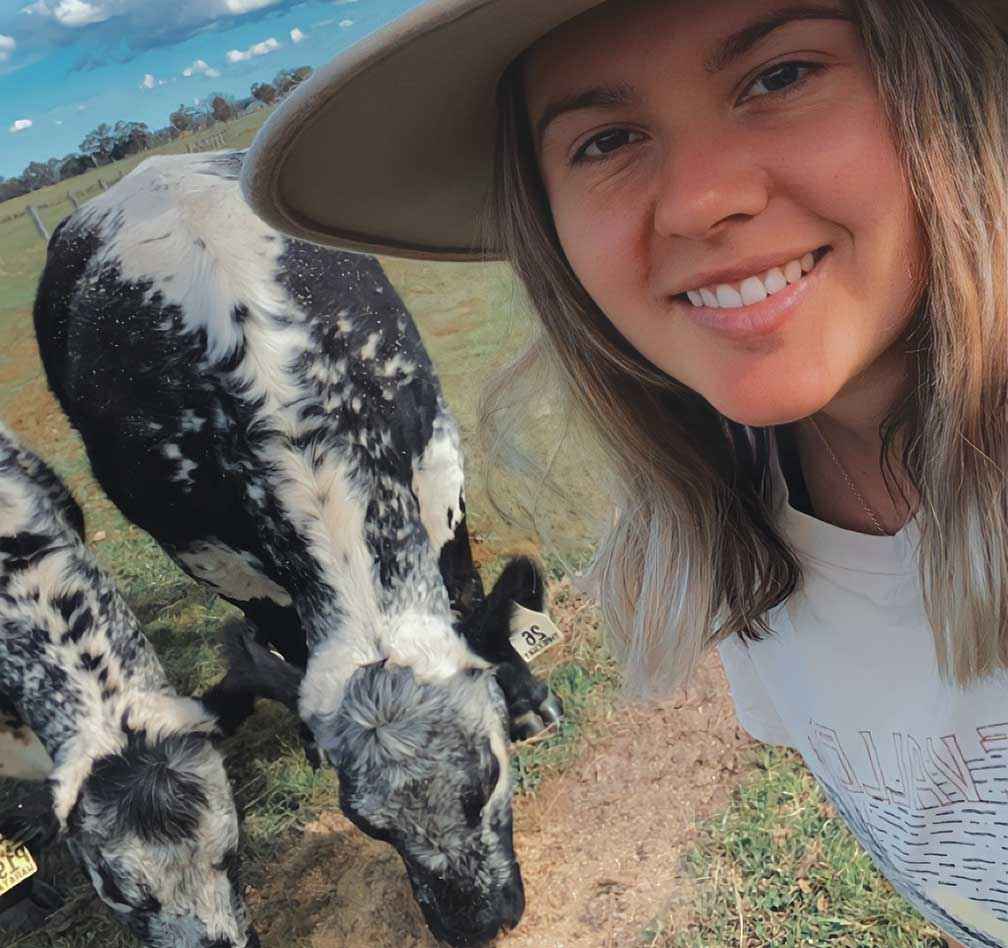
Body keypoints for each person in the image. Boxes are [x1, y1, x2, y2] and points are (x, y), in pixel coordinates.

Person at [241, 1, 1008, 945]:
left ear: (952, 84)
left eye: (782, 76)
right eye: (606, 140)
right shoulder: (721, 512)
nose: (697, 200)